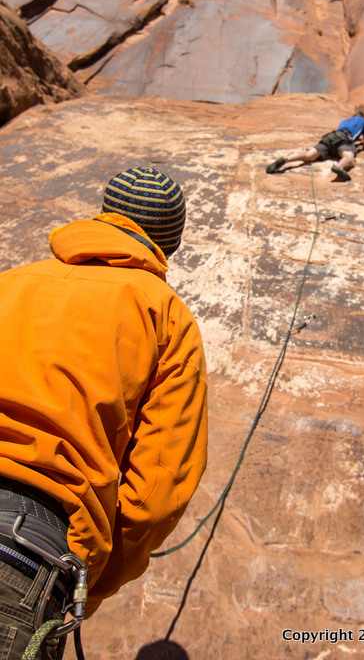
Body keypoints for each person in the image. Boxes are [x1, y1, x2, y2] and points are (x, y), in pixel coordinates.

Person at [0, 167, 208, 659]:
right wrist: (86, 583)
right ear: (165, 244)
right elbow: (154, 496)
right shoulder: (165, 314)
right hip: (26, 549)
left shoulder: (12, 282)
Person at [266, 110, 364, 181]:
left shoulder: (345, 121)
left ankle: (286, 159)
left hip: (330, 137)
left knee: (309, 155)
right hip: (344, 139)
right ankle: (339, 167)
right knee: (348, 158)